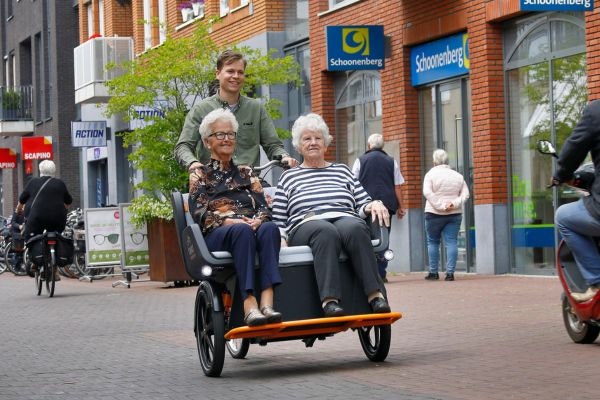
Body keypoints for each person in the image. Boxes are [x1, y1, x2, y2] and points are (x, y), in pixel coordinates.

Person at [272, 113, 391, 317]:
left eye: (318, 138)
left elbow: (362, 203)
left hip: (344, 218)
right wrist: (281, 238)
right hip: (306, 224)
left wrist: (374, 204)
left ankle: (375, 295)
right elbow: (279, 217)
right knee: (324, 231)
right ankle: (330, 301)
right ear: (299, 146)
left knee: (355, 227)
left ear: (326, 144)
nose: (313, 143)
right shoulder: (288, 177)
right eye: (307, 139)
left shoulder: (342, 171)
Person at [188, 108, 282, 326]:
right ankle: (249, 302)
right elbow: (199, 212)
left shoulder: (247, 173)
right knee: (241, 231)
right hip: (218, 234)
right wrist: (227, 221)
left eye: (231, 134)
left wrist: (259, 219)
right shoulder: (200, 174)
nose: (227, 139)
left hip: (249, 228)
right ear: (206, 142)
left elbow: (264, 207)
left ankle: (267, 302)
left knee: (270, 228)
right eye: (219, 134)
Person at [175, 49, 298, 173]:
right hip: (214, 182)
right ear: (217, 74)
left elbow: (273, 145)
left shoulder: (256, 109)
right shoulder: (200, 110)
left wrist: (284, 157)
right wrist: (192, 162)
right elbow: (183, 146)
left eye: (240, 72)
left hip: (251, 180)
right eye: (230, 71)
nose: (235, 76)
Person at [553, 99, 600, 303]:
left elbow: (574, 148)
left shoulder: (596, 111)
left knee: (563, 216)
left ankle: (596, 282)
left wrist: (561, 174)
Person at [352, 133, 405, 282]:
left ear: (368, 146)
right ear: (382, 146)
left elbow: (352, 183)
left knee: (366, 238)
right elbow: (397, 186)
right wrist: (401, 206)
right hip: (387, 205)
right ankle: (381, 272)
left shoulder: (360, 160)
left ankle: (369, 273)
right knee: (384, 239)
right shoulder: (391, 161)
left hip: (365, 206)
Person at [422, 149, 469, 281]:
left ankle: (433, 272)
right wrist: (453, 204)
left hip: (433, 213)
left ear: (434, 161)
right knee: (452, 242)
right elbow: (465, 194)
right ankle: (450, 273)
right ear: (447, 161)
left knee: (432, 242)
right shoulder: (458, 176)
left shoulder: (430, 175)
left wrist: (440, 206)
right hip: (454, 214)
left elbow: (427, 193)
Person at [16, 159, 73, 240]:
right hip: (57, 220)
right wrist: (64, 210)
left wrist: (18, 209)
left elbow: (22, 199)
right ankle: (57, 251)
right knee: (58, 237)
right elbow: (68, 201)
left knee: (31, 240)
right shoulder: (60, 183)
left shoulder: (33, 182)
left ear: (40, 170)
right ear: (54, 170)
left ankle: (32, 251)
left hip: (37, 219)